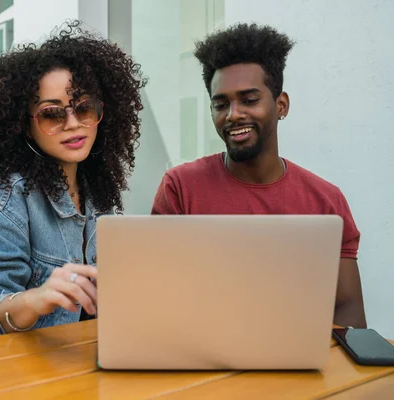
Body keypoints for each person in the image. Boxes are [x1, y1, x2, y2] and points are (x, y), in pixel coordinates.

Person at [0, 21, 146, 342]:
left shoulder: (95, 193)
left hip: (80, 359)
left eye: (84, 108)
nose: (73, 124)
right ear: (24, 125)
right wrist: (35, 299)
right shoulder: (0, 208)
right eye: (52, 113)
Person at [151, 23, 366, 328]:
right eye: (220, 104)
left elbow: (348, 312)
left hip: (297, 365)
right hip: (203, 357)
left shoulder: (326, 200)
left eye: (249, 100)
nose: (233, 114)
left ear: (281, 105)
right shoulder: (181, 187)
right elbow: (158, 298)